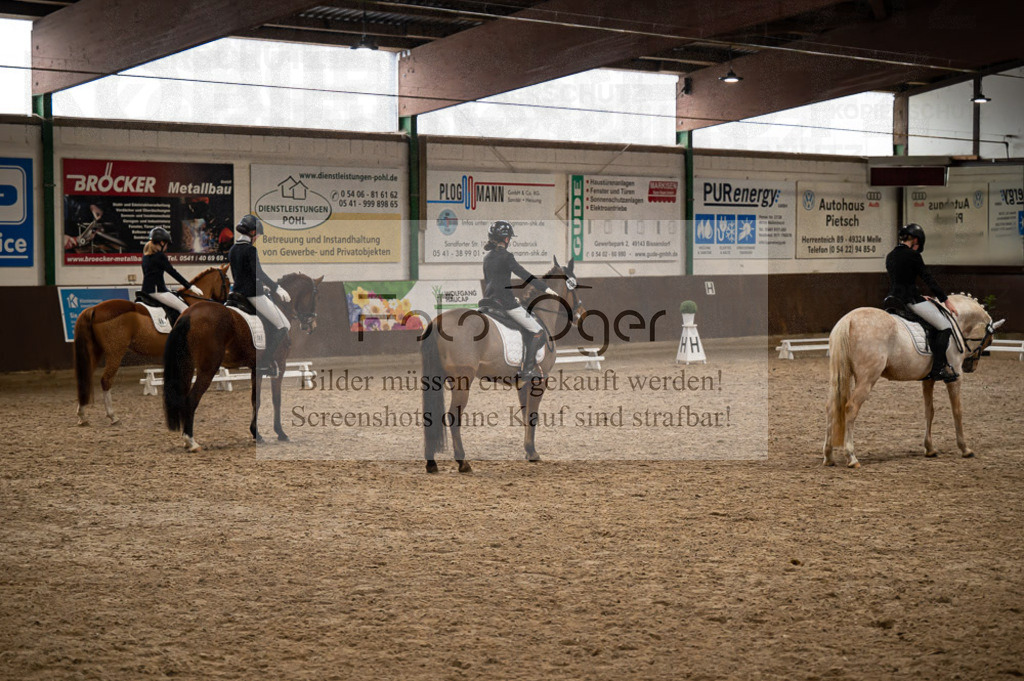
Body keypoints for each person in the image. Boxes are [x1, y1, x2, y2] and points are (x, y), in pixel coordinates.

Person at [482, 220, 558, 381]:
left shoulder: (487, 257)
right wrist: (545, 288)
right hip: (505, 303)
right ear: (506, 239)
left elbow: (493, 281)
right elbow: (524, 275)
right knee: (537, 331)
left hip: (489, 301)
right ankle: (527, 370)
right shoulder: (507, 256)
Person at [885, 223, 959, 382]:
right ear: (916, 240)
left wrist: (918, 295)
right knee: (945, 326)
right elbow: (928, 279)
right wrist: (946, 300)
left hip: (892, 300)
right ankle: (938, 369)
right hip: (910, 301)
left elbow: (901, 281)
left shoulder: (890, 255)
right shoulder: (913, 256)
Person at [229, 214, 291, 377]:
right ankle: (265, 363)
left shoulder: (233, 249)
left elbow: (241, 275)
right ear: (252, 232)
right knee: (284, 325)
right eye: (257, 235)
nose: (257, 238)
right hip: (253, 295)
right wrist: (276, 287)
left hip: (236, 293)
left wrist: (261, 286)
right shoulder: (250, 250)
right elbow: (259, 272)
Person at [141, 227, 201, 322]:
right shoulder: (160, 256)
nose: (166, 247)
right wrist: (189, 286)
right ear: (162, 243)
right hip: (157, 291)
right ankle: (180, 331)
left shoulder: (145, 256)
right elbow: (173, 272)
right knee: (185, 309)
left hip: (146, 290)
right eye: (167, 244)